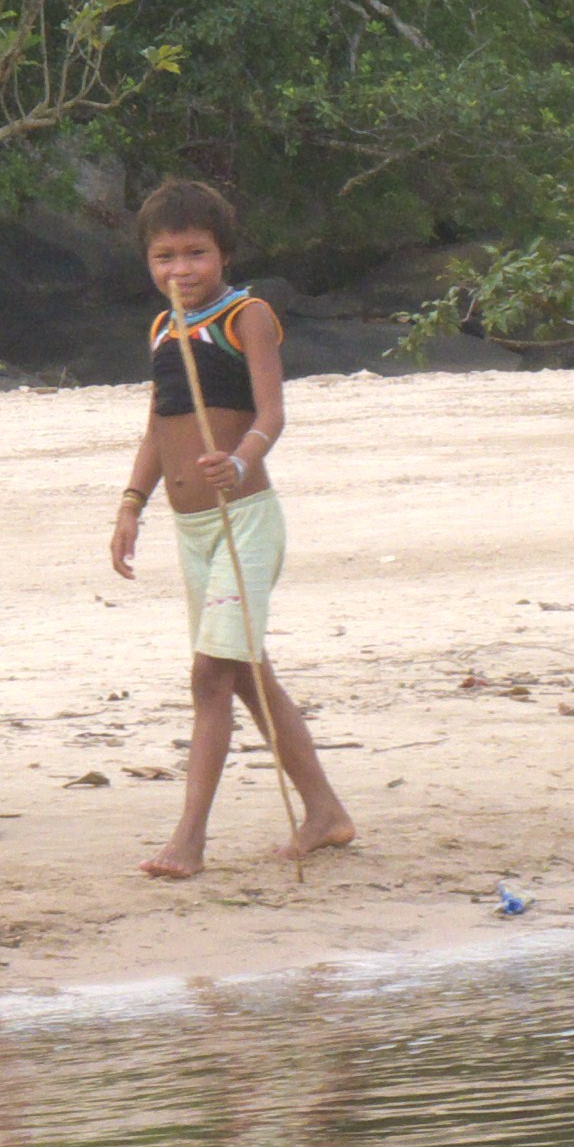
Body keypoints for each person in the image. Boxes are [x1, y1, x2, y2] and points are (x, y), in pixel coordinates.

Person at [107, 179, 354, 879]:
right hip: (193, 531)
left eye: (196, 254)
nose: (180, 270)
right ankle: (325, 812)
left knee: (210, 676)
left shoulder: (248, 315)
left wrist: (240, 461)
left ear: (223, 253)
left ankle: (188, 840)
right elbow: (159, 427)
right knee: (245, 675)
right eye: (164, 257)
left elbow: (272, 414)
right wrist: (131, 502)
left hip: (243, 521)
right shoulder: (163, 328)